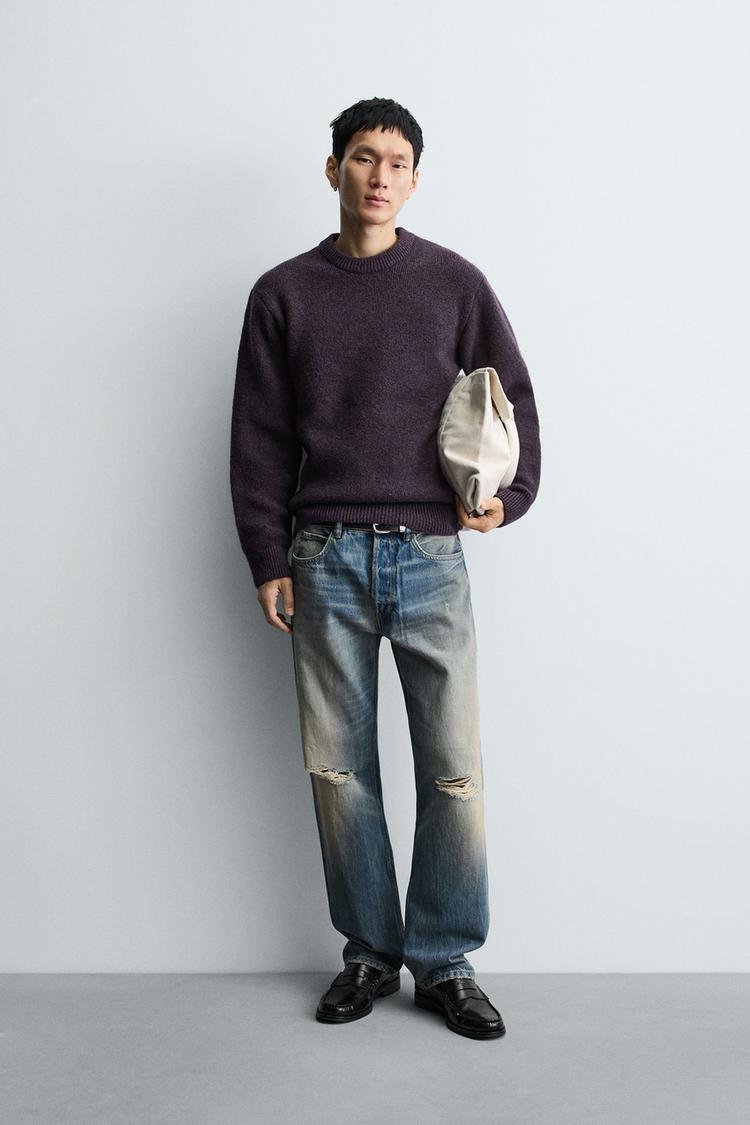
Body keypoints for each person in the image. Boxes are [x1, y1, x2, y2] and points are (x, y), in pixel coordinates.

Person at [229, 97, 541, 1040]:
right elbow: (260, 435)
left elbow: (514, 397)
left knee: (454, 770)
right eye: (363, 158)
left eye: (397, 162)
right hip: (322, 555)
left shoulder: (454, 284)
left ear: (415, 179)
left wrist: (509, 496)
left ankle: (444, 960)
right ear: (334, 170)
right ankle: (368, 951)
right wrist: (266, 555)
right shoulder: (283, 294)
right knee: (339, 769)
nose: (380, 176)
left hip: (431, 553)